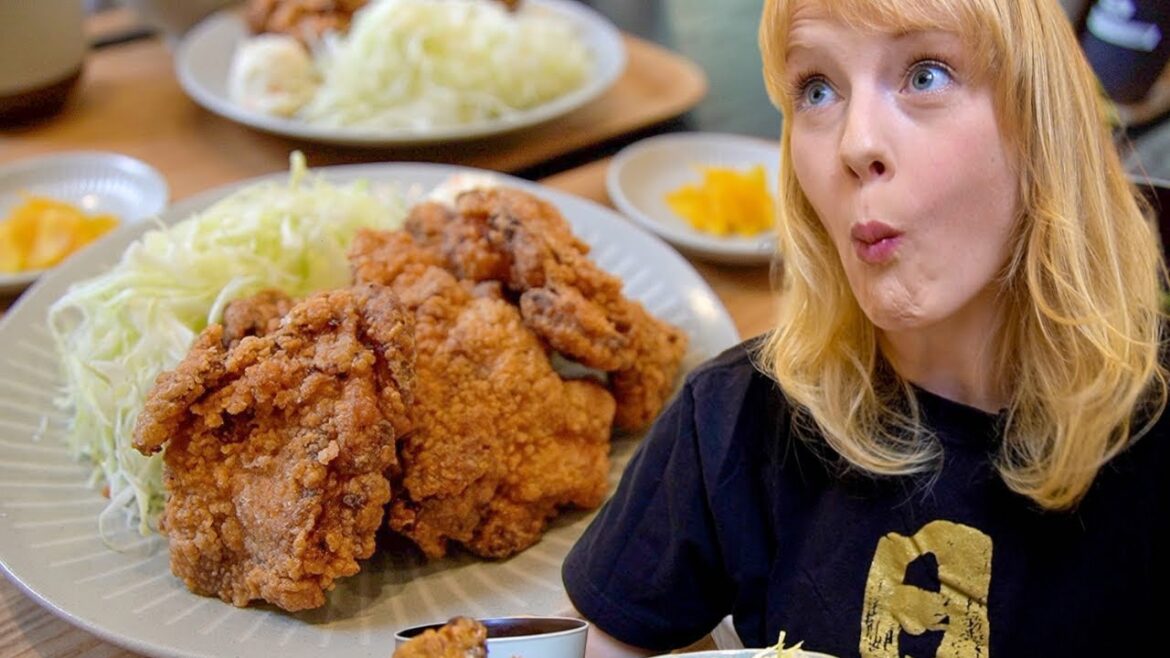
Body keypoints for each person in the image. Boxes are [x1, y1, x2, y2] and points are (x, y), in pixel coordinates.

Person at [561, 0, 1169, 656]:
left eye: (926, 75)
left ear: (1042, 119)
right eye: (817, 91)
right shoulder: (734, 424)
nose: (855, 144)